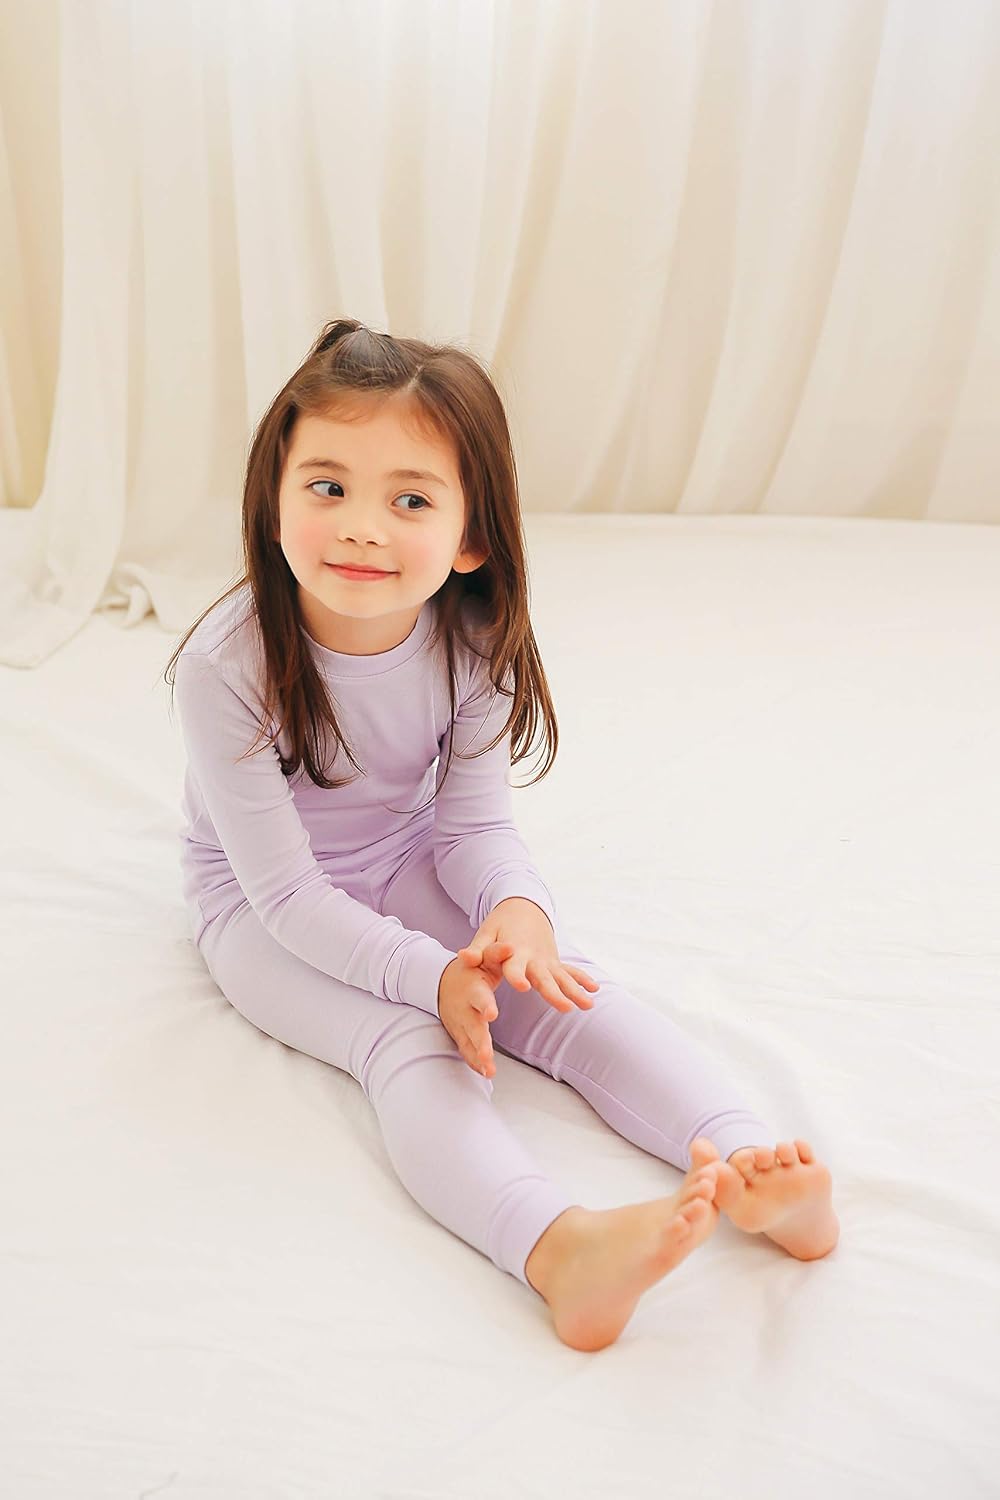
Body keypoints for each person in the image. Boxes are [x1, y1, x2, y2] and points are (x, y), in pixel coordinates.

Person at [164, 319, 840, 1353]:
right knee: (407, 1038)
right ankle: (559, 1251)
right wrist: (429, 977)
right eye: (328, 487)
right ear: (272, 499)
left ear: (471, 537)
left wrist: (518, 917)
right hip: (259, 913)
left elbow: (474, 824)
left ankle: (752, 1167)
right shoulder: (228, 664)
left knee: (562, 990)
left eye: (410, 501)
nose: (360, 528)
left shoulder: (471, 637)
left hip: (401, 860)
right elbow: (286, 897)